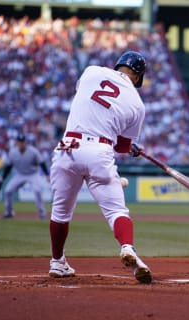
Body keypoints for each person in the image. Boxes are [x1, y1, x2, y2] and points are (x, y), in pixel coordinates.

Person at [47, 51, 152, 284]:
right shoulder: (137, 103)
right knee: (117, 212)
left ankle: (57, 262)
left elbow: (90, 103)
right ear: (137, 75)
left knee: (61, 213)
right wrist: (131, 148)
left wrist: (124, 143)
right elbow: (123, 145)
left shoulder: (92, 71)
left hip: (68, 147)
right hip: (99, 151)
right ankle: (127, 247)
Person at [0, 133, 49, 219]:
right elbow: (8, 167)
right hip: (19, 174)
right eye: (19, 142)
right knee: (8, 191)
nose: (21, 143)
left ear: (25, 142)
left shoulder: (33, 151)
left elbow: (42, 163)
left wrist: (47, 174)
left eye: (23, 142)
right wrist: (3, 177)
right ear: (17, 142)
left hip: (33, 174)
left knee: (38, 191)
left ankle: (42, 213)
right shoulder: (12, 152)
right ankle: (9, 212)